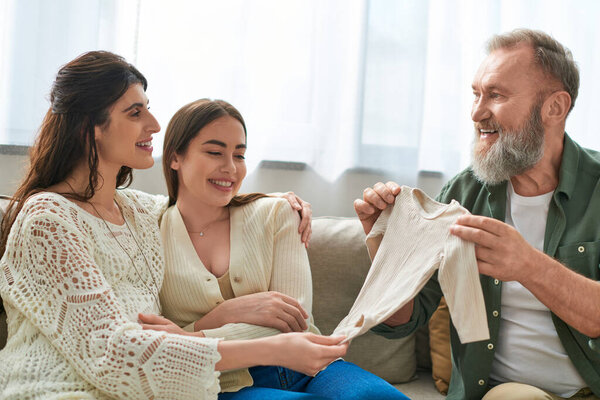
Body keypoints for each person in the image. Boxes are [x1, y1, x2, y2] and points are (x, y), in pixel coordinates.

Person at [0, 51, 348, 399]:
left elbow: (201, 199)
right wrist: (275, 348)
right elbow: (114, 352)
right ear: (88, 128)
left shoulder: (137, 211)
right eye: (135, 113)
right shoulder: (46, 221)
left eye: (148, 109)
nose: (153, 125)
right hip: (61, 390)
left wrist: (277, 202)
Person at [355, 29, 600, 400]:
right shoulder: (463, 193)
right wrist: (385, 249)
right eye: (476, 94)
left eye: (496, 95)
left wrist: (528, 265)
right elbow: (403, 319)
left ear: (555, 107)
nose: (476, 112)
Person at [137, 98, 409, 400]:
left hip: (309, 369)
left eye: (239, 155)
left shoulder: (276, 214)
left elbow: (297, 323)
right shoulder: (147, 229)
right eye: (215, 152)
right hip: (217, 382)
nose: (230, 168)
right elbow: (151, 340)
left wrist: (190, 337)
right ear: (175, 157)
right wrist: (222, 315)